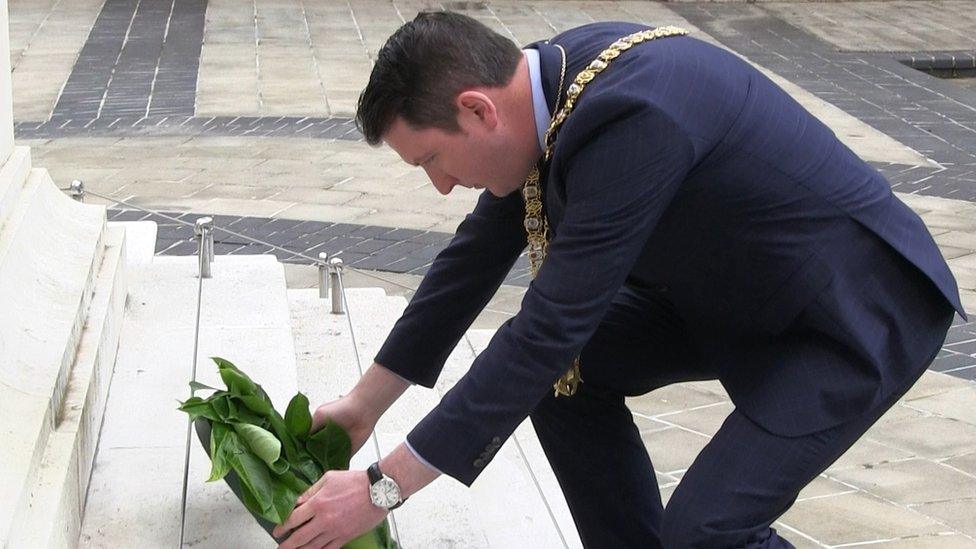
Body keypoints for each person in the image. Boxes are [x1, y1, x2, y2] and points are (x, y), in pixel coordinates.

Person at [271, 11, 965, 549]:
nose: (443, 185)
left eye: (431, 159)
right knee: (562, 375)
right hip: (729, 291)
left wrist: (383, 488)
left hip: (852, 312)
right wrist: (365, 403)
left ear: (478, 110)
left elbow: (549, 325)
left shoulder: (633, 115)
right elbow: (469, 263)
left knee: (704, 530)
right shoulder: (550, 90)